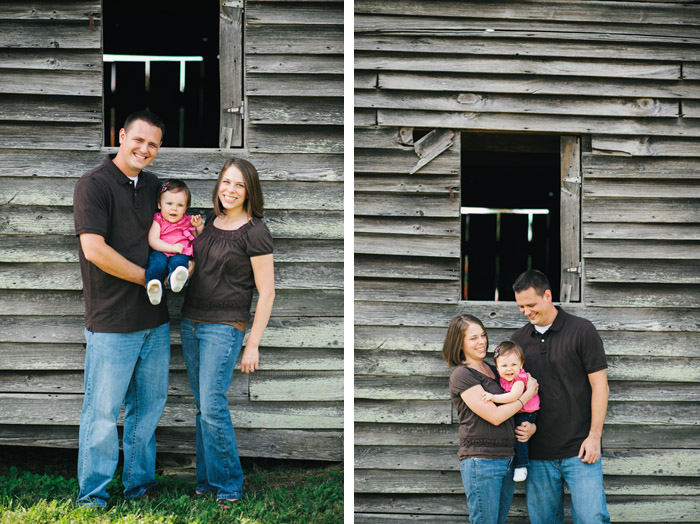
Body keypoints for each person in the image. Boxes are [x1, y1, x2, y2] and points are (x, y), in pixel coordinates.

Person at [73, 110, 183, 507]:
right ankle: (93, 495)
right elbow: (95, 250)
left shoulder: (154, 184)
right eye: (138, 140)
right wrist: (145, 279)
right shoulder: (94, 185)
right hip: (112, 321)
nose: (145, 149)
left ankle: (140, 486)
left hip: (154, 319)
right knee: (101, 413)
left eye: (153, 144)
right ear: (120, 136)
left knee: (147, 410)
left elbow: (173, 219)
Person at [180, 158, 275, 508]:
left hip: (225, 326)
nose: (230, 190)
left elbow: (267, 292)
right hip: (190, 321)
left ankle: (230, 484)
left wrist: (253, 344)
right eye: (226, 182)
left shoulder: (255, 232)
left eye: (239, 185)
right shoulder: (207, 220)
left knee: (213, 405)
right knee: (203, 406)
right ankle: (206, 482)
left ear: (249, 191)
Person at [511, 269, 610, 524]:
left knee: (592, 519)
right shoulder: (518, 340)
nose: (526, 311)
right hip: (537, 453)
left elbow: (600, 386)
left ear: (547, 295)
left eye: (531, 304)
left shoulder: (582, 331)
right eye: (521, 306)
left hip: (580, 449)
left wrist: (594, 437)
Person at [443, 314, 539, 524]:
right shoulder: (462, 375)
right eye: (473, 338)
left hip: (507, 457)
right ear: (459, 343)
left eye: (483, 335)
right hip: (482, 459)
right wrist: (526, 396)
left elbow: (513, 410)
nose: (482, 342)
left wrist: (531, 426)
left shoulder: (496, 370)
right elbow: (495, 416)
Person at [482, 340, 540, 482]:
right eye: (504, 365)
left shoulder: (519, 378)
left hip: (526, 411)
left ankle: (521, 466)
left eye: (514, 365)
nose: (509, 369)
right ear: (497, 367)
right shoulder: (503, 378)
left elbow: (514, 396)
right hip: (518, 410)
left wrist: (493, 397)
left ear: (521, 364)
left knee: (519, 435)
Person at [145, 179, 204, 305]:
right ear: (160, 205)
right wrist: (171, 248)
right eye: (169, 203)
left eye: (180, 205)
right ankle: (154, 286)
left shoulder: (187, 221)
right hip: (161, 251)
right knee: (156, 264)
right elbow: (153, 240)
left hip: (180, 252)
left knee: (180, 262)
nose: (174, 209)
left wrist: (198, 227)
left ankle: (176, 278)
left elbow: (201, 239)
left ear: (186, 208)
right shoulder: (158, 220)